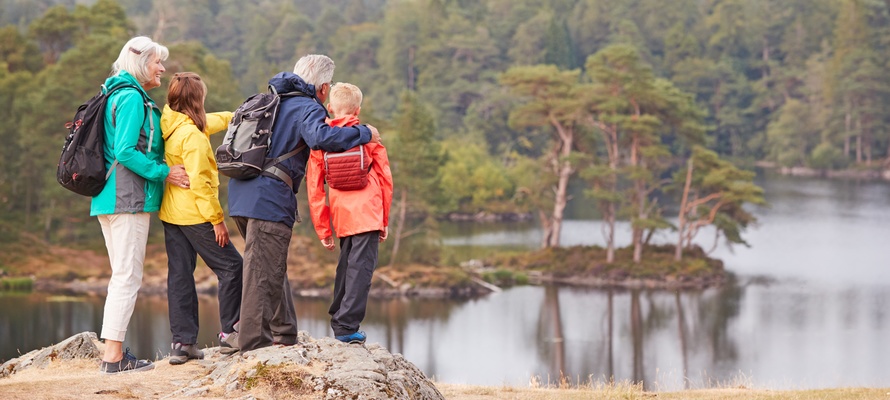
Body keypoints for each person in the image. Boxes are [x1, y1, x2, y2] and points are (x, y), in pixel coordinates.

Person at [227, 54, 381, 352]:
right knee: (261, 273)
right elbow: (322, 138)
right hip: (269, 199)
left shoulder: (269, 101)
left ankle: (284, 331)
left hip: (241, 194)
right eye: (330, 85)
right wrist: (365, 132)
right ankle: (252, 345)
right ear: (323, 87)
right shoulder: (306, 107)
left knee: (270, 265)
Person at [91, 36, 191, 374]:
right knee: (128, 277)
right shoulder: (132, 98)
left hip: (108, 197)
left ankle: (113, 353)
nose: (162, 68)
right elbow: (125, 151)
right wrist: (165, 172)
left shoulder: (114, 93)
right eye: (156, 62)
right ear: (139, 64)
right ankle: (114, 358)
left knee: (122, 274)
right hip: (127, 198)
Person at [159, 72, 243, 364]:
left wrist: (237, 115)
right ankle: (230, 334)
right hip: (196, 215)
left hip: (171, 214)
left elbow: (213, 120)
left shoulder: (171, 122)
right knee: (233, 267)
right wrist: (217, 220)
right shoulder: (193, 137)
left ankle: (183, 344)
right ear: (197, 100)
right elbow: (201, 182)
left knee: (180, 275)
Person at [305, 83, 392, 344]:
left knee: (346, 267)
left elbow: (314, 189)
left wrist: (323, 229)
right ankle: (346, 327)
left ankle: (339, 319)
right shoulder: (370, 139)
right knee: (361, 270)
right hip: (369, 212)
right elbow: (386, 181)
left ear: (330, 108)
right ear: (359, 110)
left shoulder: (322, 141)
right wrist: (384, 221)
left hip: (343, 215)